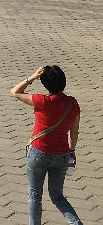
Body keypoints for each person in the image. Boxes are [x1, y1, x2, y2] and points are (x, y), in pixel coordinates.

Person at [10, 66, 82, 225]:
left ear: (45, 85)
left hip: (38, 152)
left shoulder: (42, 101)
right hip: (62, 155)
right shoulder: (73, 103)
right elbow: (74, 133)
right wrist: (71, 151)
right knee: (57, 196)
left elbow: (15, 91)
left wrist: (33, 77)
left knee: (34, 195)